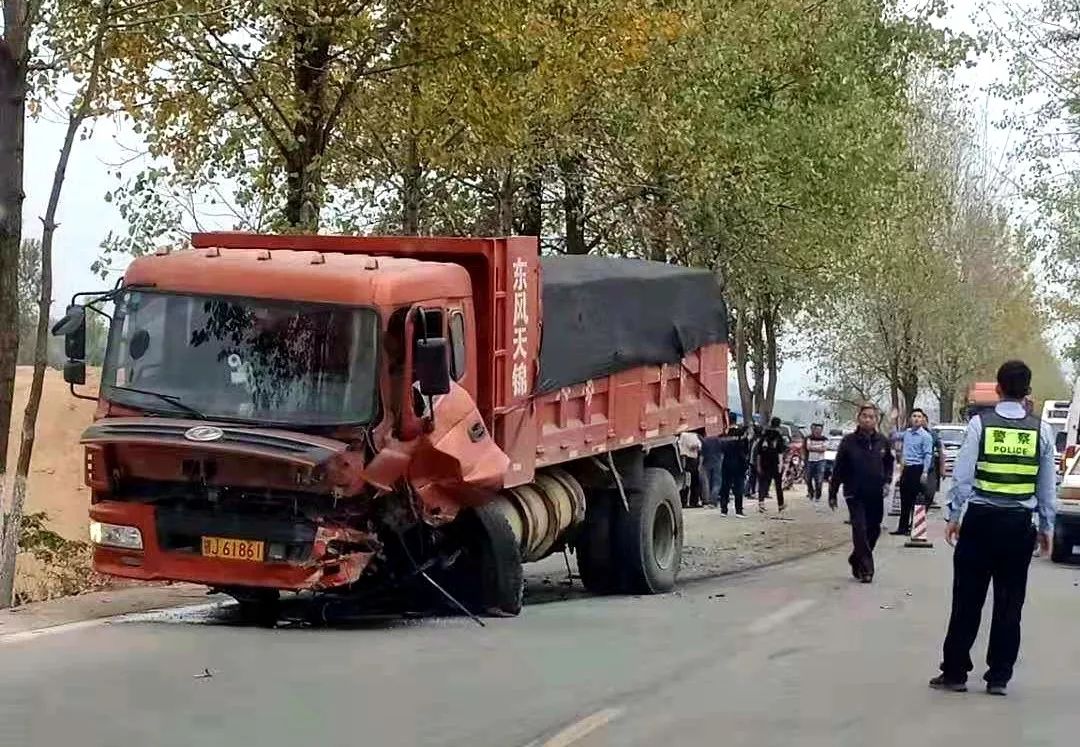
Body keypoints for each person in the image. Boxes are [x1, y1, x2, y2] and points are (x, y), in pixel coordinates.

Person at [930, 360, 1055, 696]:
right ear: (1028, 392)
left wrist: (954, 516)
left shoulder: (979, 425)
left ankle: (955, 673)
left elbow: (963, 476)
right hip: (1018, 528)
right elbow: (1046, 486)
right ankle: (999, 677)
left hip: (981, 523)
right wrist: (1046, 526)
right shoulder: (1040, 430)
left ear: (998, 389)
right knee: (1009, 604)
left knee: (967, 601)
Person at [828, 404, 894, 583]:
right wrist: (832, 493)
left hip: (875, 493)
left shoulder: (882, 441)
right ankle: (866, 569)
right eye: (864, 416)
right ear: (859, 418)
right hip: (854, 493)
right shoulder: (848, 441)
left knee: (874, 529)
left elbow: (889, 463)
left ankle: (856, 558)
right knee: (859, 529)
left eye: (872, 416)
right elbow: (838, 468)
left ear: (877, 419)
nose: (868, 419)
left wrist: (887, 481)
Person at [891, 408, 934, 536]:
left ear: (922, 419)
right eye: (914, 416)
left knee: (916, 499)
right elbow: (893, 436)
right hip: (906, 468)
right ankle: (902, 528)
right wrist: (893, 420)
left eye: (919, 416)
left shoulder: (926, 436)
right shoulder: (907, 433)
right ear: (910, 419)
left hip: (918, 468)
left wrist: (925, 472)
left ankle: (914, 526)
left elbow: (928, 455)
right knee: (904, 499)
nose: (916, 419)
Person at [718, 414, 750, 517]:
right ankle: (738, 511)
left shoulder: (723, 433)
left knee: (725, 487)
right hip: (738, 464)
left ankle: (723, 510)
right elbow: (746, 449)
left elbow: (720, 449)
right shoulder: (741, 433)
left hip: (726, 463)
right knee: (738, 487)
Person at [756, 416, 788, 513]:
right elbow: (780, 453)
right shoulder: (778, 437)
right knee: (778, 485)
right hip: (775, 463)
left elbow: (758, 453)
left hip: (764, 462)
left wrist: (758, 465)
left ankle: (761, 503)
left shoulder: (764, 436)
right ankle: (780, 504)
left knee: (763, 483)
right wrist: (781, 466)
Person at [678, 431, 704, 508]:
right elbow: (696, 446)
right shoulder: (690, 435)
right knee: (690, 483)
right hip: (690, 460)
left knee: (691, 483)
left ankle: (688, 502)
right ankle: (689, 502)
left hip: (689, 460)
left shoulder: (685, 435)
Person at [804, 423, 828, 503]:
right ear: (814, 430)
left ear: (821, 431)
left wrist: (813, 448)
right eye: (816, 429)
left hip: (820, 461)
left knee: (819, 479)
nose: (817, 431)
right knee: (808, 478)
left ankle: (818, 495)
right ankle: (811, 492)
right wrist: (818, 448)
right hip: (810, 461)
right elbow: (808, 448)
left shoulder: (824, 439)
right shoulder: (809, 438)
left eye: (819, 430)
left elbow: (824, 449)